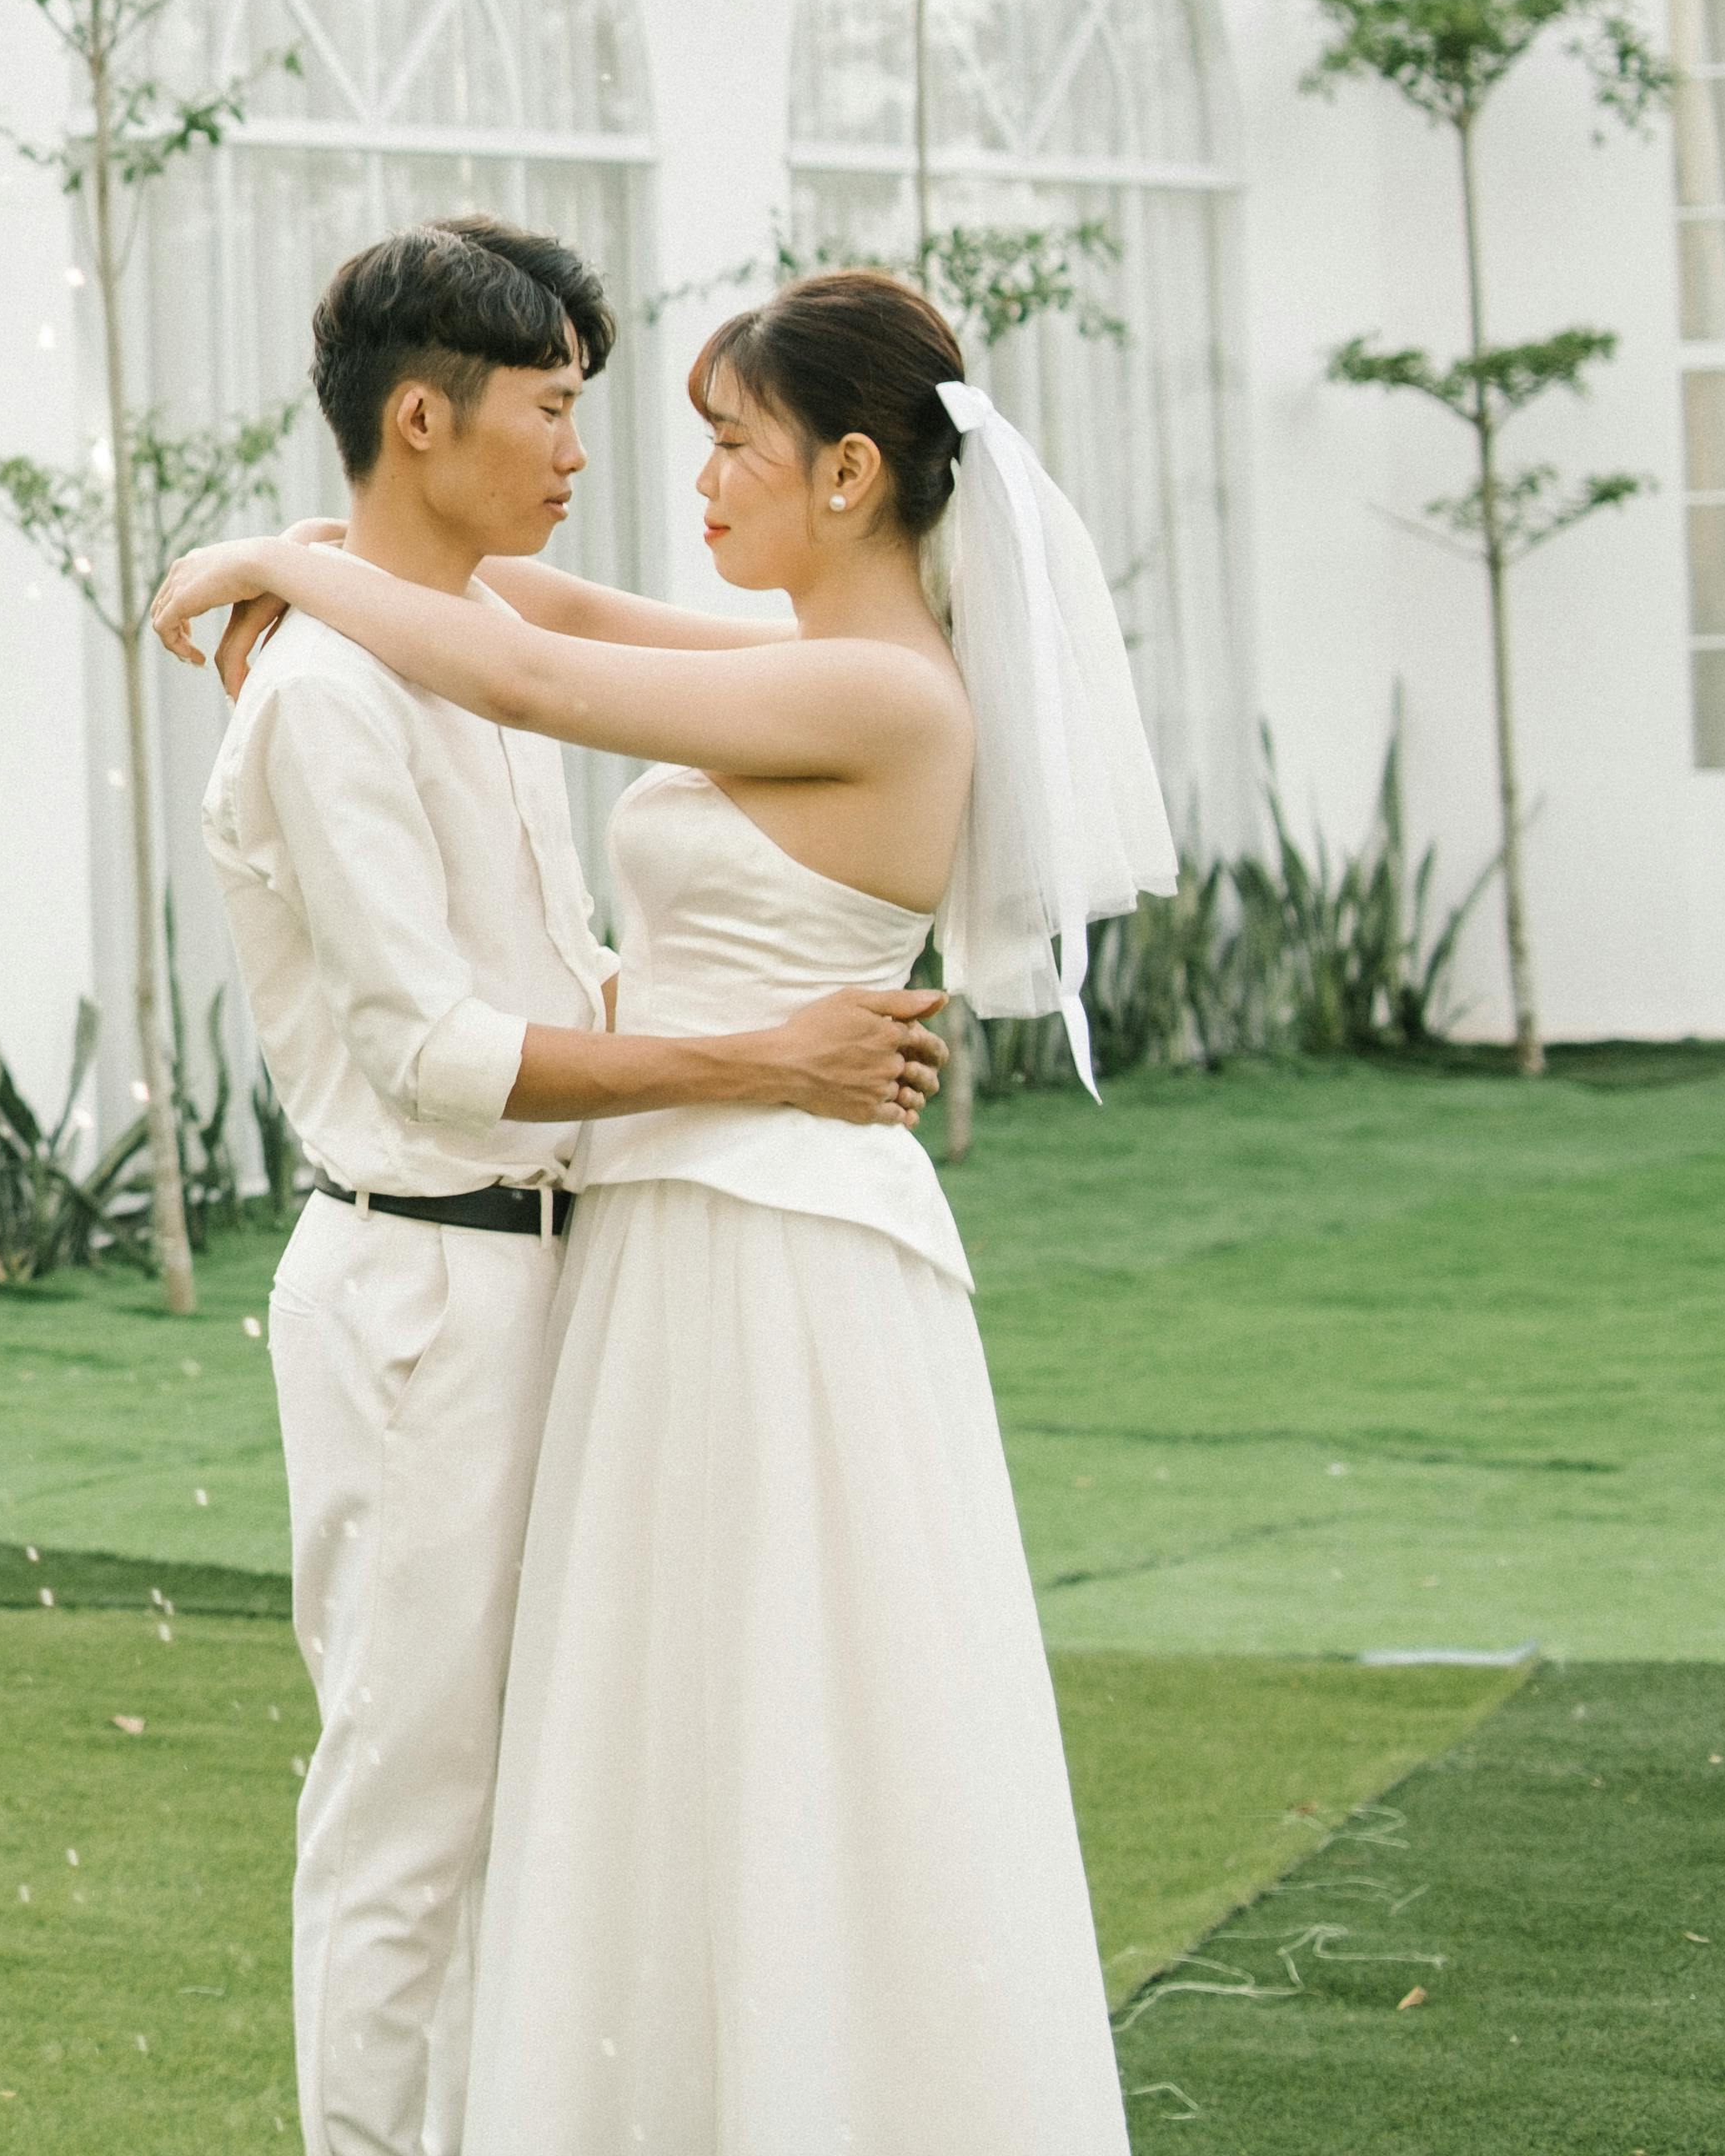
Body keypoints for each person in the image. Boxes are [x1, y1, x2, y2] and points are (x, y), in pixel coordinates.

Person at [160, 263, 1174, 2155]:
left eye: (732, 443)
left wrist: (271, 568)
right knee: (645, 1727)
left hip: (767, 1237)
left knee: (793, 1712)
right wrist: (295, 550)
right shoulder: (793, 650)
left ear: (854, 471)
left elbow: (529, 671)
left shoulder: (872, 686)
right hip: (676, 1221)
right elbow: (518, 606)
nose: (686, 475)